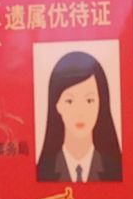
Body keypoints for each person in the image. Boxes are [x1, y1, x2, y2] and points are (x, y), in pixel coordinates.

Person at [35, 48, 124, 183]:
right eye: (69, 101)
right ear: (57, 105)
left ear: (101, 103)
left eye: (89, 100)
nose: (80, 112)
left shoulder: (115, 170)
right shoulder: (43, 172)